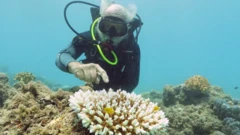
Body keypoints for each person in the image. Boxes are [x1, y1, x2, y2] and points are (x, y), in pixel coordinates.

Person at [55, 0, 142, 93]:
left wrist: (114, 98)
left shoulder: (131, 48)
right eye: (106, 26)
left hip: (116, 91)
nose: (110, 33)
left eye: (118, 28)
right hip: (90, 88)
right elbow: (61, 56)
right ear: (99, 22)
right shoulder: (86, 38)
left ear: (127, 29)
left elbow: (132, 82)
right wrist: (74, 66)